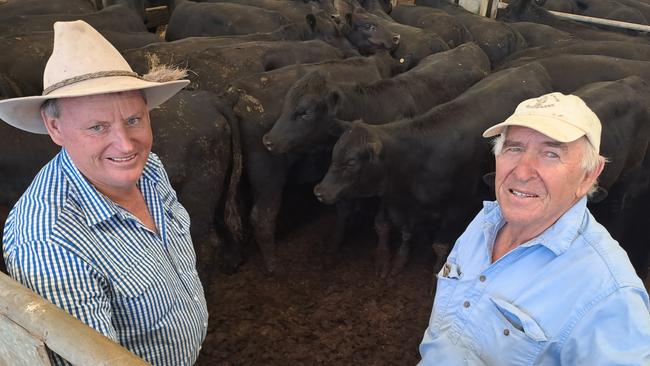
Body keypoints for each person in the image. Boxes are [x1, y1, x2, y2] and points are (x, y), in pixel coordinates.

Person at [0, 21, 208, 365]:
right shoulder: (50, 243)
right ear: (55, 127)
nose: (126, 145)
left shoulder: (149, 167)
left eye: (134, 120)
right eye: (98, 127)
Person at [419, 92, 650, 365]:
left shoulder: (609, 295)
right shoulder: (485, 221)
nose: (522, 172)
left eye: (551, 153)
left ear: (589, 175)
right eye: (514, 148)